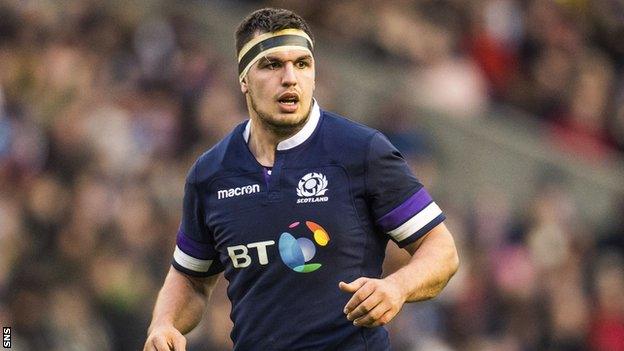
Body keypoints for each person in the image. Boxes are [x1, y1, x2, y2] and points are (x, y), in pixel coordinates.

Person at [144, 7, 459, 351]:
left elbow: (441, 251)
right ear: (244, 79)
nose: (290, 77)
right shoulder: (211, 174)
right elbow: (190, 277)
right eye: (272, 64)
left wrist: (397, 287)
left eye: (302, 64)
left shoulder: (361, 152)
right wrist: (164, 324)